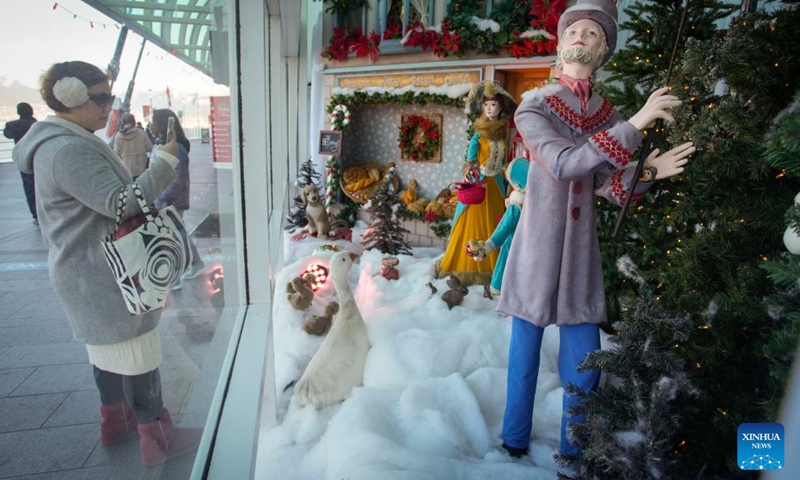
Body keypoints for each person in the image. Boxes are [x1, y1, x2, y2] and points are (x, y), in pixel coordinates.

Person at [496, 0, 696, 461]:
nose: (581, 37)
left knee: (585, 365)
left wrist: (648, 171)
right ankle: (513, 441)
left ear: (603, 50)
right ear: (561, 44)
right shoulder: (534, 106)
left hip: (581, 260)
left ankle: (574, 450)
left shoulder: (607, 114)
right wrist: (637, 124)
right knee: (523, 361)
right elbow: (566, 164)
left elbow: (607, 183)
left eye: (592, 33)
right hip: (537, 254)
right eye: (574, 31)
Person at [12, 61, 202, 467]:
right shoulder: (68, 150)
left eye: (109, 96)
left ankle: (114, 422)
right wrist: (164, 164)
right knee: (137, 351)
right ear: (69, 98)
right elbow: (122, 203)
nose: (108, 105)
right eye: (99, 98)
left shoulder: (64, 141)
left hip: (87, 270)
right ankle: (158, 436)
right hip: (104, 273)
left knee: (108, 352)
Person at [436, 81, 517, 286]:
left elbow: (505, 158)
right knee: (473, 224)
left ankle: (495, 268)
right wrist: (471, 166)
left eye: (494, 105)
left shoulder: (505, 133)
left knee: (497, 223)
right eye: (487, 105)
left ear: (500, 107)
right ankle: (468, 266)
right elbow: (471, 155)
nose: (490, 109)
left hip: (497, 185)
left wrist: (509, 171)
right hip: (480, 184)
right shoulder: (479, 132)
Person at [150, 108, 205, 288]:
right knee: (177, 235)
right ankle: (195, 264)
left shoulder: (176, 147)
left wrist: (160, 198)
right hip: (167, 199)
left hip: (169, 201)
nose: (151, 125)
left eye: (154, 121)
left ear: (162, 124)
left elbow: (177, 177)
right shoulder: (163, 144)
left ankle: (174, 278)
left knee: (169, 239)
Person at [470, 157, 529, 295]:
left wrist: (488, 245)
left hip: (514, 245)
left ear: (517, 184)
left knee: (506, 266)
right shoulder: (536, 202)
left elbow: (504, 229)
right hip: (531, 247)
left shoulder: (516, 206)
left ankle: (502, 291)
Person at [4, 102, 38, 224]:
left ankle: (36, 215)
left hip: (23, 158)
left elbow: (7, 135)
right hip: (38, 157)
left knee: (29, 186)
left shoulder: (12, 125)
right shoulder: (37, 125)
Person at [114, 112, 152, 178]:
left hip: (126, 170)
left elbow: (116, 153)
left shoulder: (119, 136)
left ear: (122, 122)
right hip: (141, 169)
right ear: (134, 121)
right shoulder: (141, 133)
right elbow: (150, 148)